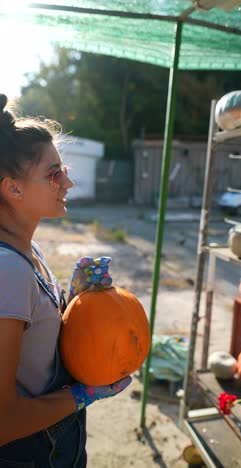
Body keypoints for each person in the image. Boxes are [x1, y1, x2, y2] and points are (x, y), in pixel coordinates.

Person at [0, 94, 131, 467]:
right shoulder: (7, 269)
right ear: (13, 188)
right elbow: (2, 422)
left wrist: (73, 300)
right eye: (53, 173)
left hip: (60, 443)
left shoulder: (30, 250)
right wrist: (83, 394)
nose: (68, 182)